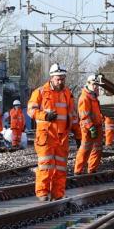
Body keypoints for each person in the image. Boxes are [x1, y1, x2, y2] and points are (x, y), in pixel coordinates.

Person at [26, 64, 78, 200]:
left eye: (62, 79)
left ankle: (58, 195)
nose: (60, 81)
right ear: (52, 78)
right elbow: (31, 110)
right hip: (46, 136)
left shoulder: (67, 94)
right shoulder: (40, 92)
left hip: (62, 137)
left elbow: (73, 115)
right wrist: (44, 116)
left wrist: (78, 135)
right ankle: (42, 193)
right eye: (58, 79)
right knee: (45, 166)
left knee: (60, 168)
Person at [73, 74, 107, 175]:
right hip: (88, 128)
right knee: (85, 149)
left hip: (97, 126)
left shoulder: (94, 96)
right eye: (94, 84)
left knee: (97, 149)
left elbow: (97, 112)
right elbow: (84, 116)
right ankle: (78, 171)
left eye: (97, 85)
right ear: (88, 83)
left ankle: (92, 170)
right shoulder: (85, 98)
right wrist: (91, 128)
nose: (96, 86)